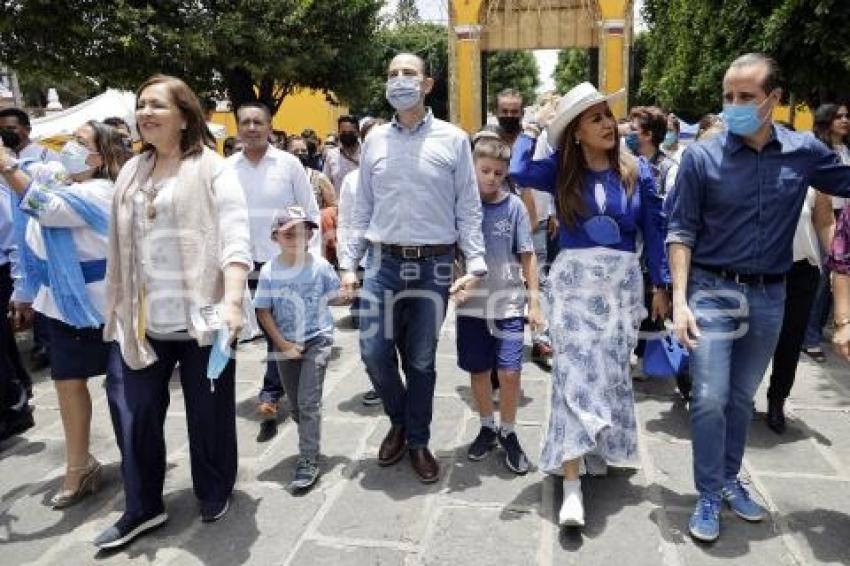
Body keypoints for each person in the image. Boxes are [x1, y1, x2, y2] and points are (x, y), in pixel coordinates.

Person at [667, 53, 850, 543]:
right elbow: (680, 230)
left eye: (746, 97)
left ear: (775, 99)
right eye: (728, 97)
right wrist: (680, 300)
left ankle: (729, 479)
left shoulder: (804, 151)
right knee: (707, 398)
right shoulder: (702, 157)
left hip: (772, 295)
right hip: (711, 291)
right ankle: (707, 493)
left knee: (741, 398)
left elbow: (844, 181)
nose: (734, 106)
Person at [95, 74, 251, 549]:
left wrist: (232, 299)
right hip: (143, 321)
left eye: (157, 105)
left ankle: (214, 488)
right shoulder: (130, 171)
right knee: (134, 413)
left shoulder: (212, 168)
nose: (145, 113)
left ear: (184, 116)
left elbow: (235, 235)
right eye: (141, 105)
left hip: (203, 319)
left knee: (208, 414)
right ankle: (142, 506)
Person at [510, 81, 670, 528]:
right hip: (574, 287)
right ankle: (572, 485)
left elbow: (654, 232)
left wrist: (660, 283)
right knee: (573, 376)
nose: (607, 124)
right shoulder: (561, 172)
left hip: (621, 290)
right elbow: (518, 170)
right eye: (594, 117)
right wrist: (534, 123)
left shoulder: (639, 171)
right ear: (575, 131)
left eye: (607, 115)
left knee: (610, 374)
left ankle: (594, 451)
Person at [339, 53, 487, 484]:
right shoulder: (375, 141)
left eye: (409, 74)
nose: (399, 80)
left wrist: (474, 263)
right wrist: (348, 263)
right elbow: (361, 205)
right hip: (382, 262)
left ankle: (417, 439)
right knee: (373, 353)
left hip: (434, 266)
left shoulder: (455, 139)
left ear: (427, 84)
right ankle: (400, 418)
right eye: (392, 74)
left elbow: (468, 206)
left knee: (421, 360)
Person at [1, 120, 129, 505]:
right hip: (62, 303)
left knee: (123, 388)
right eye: (71, 139)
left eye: (81, 142)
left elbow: (45, 208)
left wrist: (7, 167)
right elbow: (36, 222)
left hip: (106, 303)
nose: (71, 147)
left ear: (101, 155)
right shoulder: (62, 184)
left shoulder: (104, 192)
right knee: (68, 382)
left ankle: (138, 460)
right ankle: (79, 466)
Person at [228, 102, 320, 441]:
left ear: (270, 127)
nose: (252, 128)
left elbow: (310, 209)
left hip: (285, 260)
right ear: (238, 127)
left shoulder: (288, 164)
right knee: (271, 327)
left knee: (279, 326)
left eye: (258, 122)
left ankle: (270, 393)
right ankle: (279, 387)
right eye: (245, 122)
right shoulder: (226, 169)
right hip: (247, 262)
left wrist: (311, 257)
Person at [456, 133, 543, 474]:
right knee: (478, 370)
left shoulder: (515, 207)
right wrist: (455, 283)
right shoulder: (463, 207)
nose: (491, 177)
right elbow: (452, 251)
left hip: (508, 304)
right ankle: (486, 425)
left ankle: (508, 430)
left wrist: (534, 302)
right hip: (472, 306)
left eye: (498, 172)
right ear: (473, 169)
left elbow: (528, 255)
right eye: (485, 170)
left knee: (509, 371)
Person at [254, 206, 341, 491]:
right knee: (296, 404)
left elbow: (334, 297)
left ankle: (308, 459)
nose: (295, 237)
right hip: (284, 345)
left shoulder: (320, 267)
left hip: (318, 339)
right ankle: (307, 427)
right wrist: (283, 345)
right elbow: (264, 312)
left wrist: (351, 295)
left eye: (301, 231)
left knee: (307, 402)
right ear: (275, 237)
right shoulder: (269, 271)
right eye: (288, 232)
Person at [766, 188, 834, 433]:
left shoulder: (813, 178)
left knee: (790, 340)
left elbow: (826, 223)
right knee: (755, 337)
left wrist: (839, 266)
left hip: (801, 271)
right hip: (761, 269)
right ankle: (742, 397)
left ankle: (777, 399)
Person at [0, 107, 60, 371]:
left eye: (11, 128)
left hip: (44, 240)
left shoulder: (49, 159)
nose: (6, 133)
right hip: (16, 245)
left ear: (27, 129)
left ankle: (48, 344)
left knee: (45, 296)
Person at [336, 118, 385, 407]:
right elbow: (345, 223)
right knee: (373, 336)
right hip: (367, 264)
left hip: (400, 263)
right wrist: (347, 266)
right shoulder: (353, 181)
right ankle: (382, 383)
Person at [801, 104, 850, 363]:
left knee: (837, 281)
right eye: (838, 116)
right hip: (822, 218)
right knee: (822, 279)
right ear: (826, 120)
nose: (844, 120)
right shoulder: (818, 150)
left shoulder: (846, 150)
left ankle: (821, 330)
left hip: (845, 218)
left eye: (846, 116)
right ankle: (810, 338)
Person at [323, 115, 360, 194]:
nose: (347, 135)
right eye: (343, 132)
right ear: (339, 133)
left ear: (357, 133)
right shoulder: (331, 155)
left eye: (350, 132)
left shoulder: (366, 153)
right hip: (340, 203)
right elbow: (326, 183)